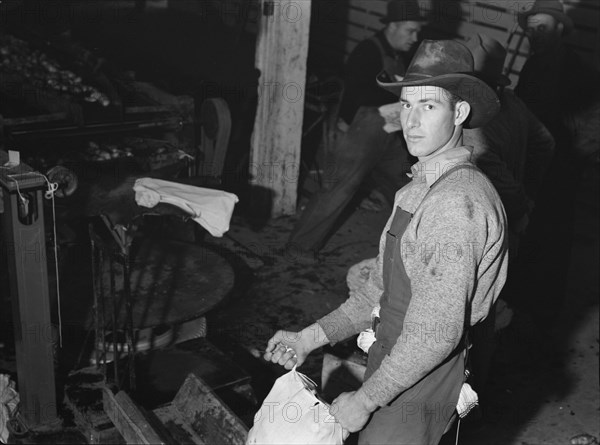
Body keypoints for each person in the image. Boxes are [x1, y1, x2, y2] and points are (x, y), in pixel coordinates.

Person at [264, 40, 508, 444]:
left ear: (460, 112)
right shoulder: (416, 189)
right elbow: (375, 293)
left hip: (424, 376)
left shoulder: (456, 203)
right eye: (406, 105)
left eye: (428, 106)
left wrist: (364, 399)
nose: (411, 120)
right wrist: (308, 338)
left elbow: (435, 334)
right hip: (393, 356)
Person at [287, 0, 426, 257]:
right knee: (337, 189)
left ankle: (413, 249)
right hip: (362, 130)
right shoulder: (367, 51)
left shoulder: (398, 54)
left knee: (407, 186)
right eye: (410, 31)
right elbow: (354, 96)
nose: (415, 38)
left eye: (417, 32)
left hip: (388, 132)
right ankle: (299, 248)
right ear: (393, 26)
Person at [514, 0, 600, 330]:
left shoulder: (577, 70)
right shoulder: (534, 65)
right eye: (532, 29)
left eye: (543, 28)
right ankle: (521, 304)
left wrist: (573, 157)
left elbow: (595, 121)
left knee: (553, 239)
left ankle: (545, 313)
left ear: (560, 29)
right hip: (532, 168)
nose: (536, 35)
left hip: (559, 172)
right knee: (529, 235)